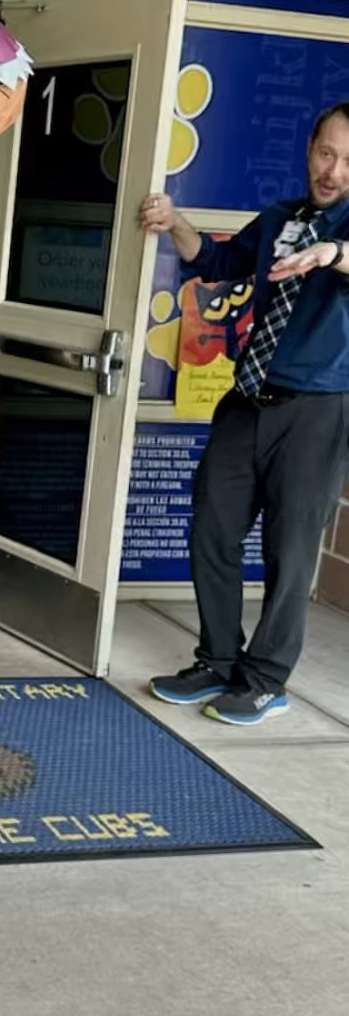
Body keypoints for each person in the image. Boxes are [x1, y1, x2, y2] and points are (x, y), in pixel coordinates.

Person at [140, 99, 349, 725]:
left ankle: (266, 679)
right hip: (248, 398)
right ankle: (219, 660)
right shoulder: (283, 217)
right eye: (326, 152)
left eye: (347, 160)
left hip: (317, 410)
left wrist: (331, 254)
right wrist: (176, 223)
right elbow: (220, 264)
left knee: (290, 549)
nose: (333, 170)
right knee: (212, 525)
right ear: (308, 150)